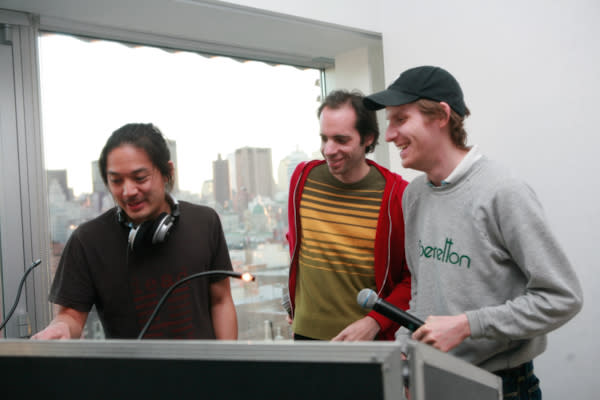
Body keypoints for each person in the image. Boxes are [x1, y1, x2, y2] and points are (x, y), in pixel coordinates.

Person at [364, 66, 583, 398]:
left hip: (503, 387)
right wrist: (406, 354)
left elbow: (562, 298)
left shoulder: (503, 192)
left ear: (440, 115)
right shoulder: (415, 196)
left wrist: (468, 325)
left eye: (400, 119)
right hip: (431, 381)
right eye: (389, 122)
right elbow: (422, 293)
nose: (390, 134)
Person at [32, 123, 237, 340]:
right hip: (128, 374)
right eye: (116, 181)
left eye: (140, 178)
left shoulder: (205, 221)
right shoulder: (88, 240)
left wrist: (228, 367)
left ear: (167, 172)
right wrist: (61, 327)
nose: (128, 192)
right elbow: (70, 316)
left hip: (204, 372)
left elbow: (221, 300)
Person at [285, 89, 411, 341]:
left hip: (365, 342)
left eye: (341, 140)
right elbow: (295, 243)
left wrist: (376, 322)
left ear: (368, 138)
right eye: (324, 138)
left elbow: (412, 278)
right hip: (304, 336)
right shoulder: (302, 178)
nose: (329, 149)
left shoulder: (396, 194)